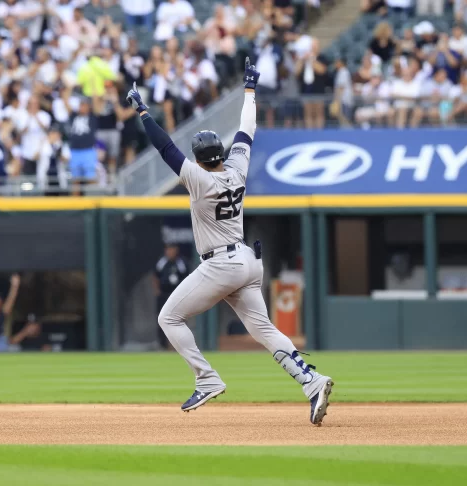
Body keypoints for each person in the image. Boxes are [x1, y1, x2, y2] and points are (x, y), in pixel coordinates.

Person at [125, 59, 334, 425]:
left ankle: (206, 378)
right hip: (249, 262)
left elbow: (166, 149)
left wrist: (143, 112)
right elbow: (246, 129)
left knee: (169, 317)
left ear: (200, 160)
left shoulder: (199, 180)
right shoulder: (236, 168)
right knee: (264, 330)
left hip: (222, 263)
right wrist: (249, 89)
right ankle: (311, 380)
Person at [153, 244, 189, 350]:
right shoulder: (162, 262)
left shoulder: (181, 262)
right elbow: (155, 276)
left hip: (178, 295)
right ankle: (163, 345)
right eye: (168, 249)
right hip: (164, 294)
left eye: (172, 249)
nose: (169, 252)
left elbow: (188, 278)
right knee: (162, 319)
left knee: (180, 319)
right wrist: (157, 291)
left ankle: (180, 345)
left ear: (176, 250)